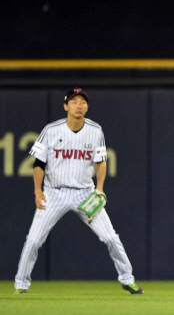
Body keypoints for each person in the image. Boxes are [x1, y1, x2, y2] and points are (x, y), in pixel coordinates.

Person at [14, 88, 144, 295]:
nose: (79, 105)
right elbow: (38, 164)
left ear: (87, 106)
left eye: (83, 101)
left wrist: (100, 188)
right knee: (34, 240)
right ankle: (21, 285)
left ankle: (128, 280)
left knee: (110, 237)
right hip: (54, 192)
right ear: (66, 106)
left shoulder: (95, 130)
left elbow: (101, 161)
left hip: (85, 192)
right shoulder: (51, 130)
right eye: (74, 101)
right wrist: (37, 191)